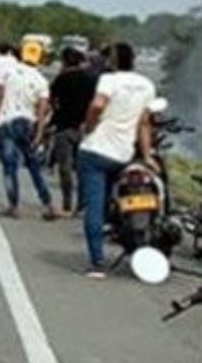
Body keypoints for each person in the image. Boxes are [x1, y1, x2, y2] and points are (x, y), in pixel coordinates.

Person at [77, 42, 157, 279]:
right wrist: (147, 155)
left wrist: (89, 127)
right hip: (123, 154)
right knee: (118, 200)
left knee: (94, 206)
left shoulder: (108, 80)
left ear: (112, 60)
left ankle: (97, 262)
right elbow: (144, 124)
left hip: (96, 150)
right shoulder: (147, 85)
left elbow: (97, 105)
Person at [0, 47, 58, 220]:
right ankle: (48, 204)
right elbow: (42, 110)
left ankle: (13, 206)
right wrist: (39, 132)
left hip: (6, 122)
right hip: (27, 123)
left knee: (9, 166)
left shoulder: (8, 73)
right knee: (34, 166)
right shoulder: (41, 80)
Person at [43, 47, 98, 215]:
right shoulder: (91, 80)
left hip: (64, 127)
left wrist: (50, 121)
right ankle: (81, 204)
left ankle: (67, 202)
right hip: (85, 128)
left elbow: (52, 101)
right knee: (82, 169)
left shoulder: (61, 79)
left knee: (64, 167)